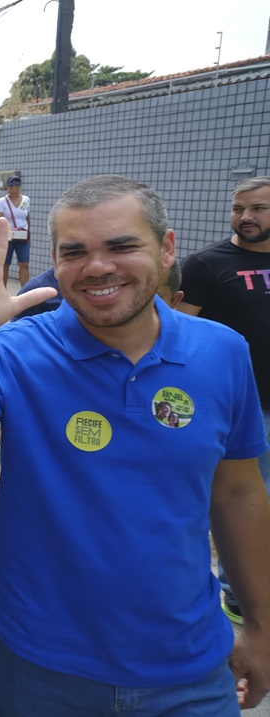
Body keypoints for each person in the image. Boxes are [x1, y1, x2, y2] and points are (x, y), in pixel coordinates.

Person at [0, 176, 270, 715]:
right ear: (55, 259)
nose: (97, 266)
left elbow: (238, 496)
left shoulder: (222, 352)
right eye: (74, 252)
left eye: (122, 246)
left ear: (167, 250)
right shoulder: (13, 350)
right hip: (42, 667)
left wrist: (261, 626)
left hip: (190, 666)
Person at [177, 176, 270, 626]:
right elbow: (177, 335)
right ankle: (236, 593)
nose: (246, 217)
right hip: (242, 408)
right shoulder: (208, 265)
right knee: (245, 497)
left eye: (258, 208)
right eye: (239, 208)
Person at [0, 175, 31, 286]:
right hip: (8, 236)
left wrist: (29, 233)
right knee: (5, 264)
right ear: (7, 187)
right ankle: (2, 290)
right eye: (11, 184)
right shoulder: (2, 201)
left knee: (24, 264)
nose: (14, 186)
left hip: (22, 236)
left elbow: (27, 217)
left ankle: (25, 291)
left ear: (20, 186)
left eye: (17, 183)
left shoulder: (26, 200)